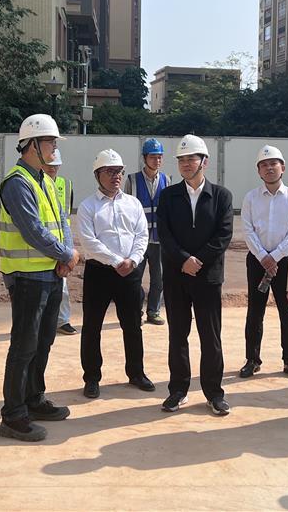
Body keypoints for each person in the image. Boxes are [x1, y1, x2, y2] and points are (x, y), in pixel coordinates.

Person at [0, 114, 78, 442]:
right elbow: (32, 230)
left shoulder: (44, 179)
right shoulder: (17, 183)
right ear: (32, 145)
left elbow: (61, 221)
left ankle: (34, 398)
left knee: (43, 341)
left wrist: (65, 256)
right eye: (50, 142)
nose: (54, 147)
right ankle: (13, 415)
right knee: (24, 345)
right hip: (28, 277)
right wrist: (65, 255)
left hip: (50, 274)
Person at [156, 135, 234, 416]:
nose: (186, 164)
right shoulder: (168, 196)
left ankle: (214, 393)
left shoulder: (221, 196)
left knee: (210, 336)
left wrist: (198, 260)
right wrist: (183, 260)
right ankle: (178, 390)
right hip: (176, 277)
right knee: (178, 334)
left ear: (204, 162)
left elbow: (223, 234)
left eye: (191, 158)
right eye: (182, 160)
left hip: (207, 277)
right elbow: (164, 234)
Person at [76, 149, 154, 399]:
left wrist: (134, 260)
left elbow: (142, 235)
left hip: (130, 272)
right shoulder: (88, 207)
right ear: (97, 175)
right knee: (92, 326)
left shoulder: (133, 204)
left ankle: (136, 372)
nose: (116, 176)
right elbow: (89, 242)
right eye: (109, 171)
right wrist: (116, 260)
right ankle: (92, 377)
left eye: (119, 171)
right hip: (99, 273)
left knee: (132, 325)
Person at [238, 145, 288, 381]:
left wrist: (275, 256)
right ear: (258, 171)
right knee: (255, 312)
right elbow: (247, 230)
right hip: (257, 261)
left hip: (284, 262)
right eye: (264, 165)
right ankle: (252, 359)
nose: (269, 168)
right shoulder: (251, 198)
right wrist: (263, 256)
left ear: (282, 167)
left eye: (273, 164)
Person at [124, 138, 171, 325]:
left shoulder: (166, 180)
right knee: (135, 278)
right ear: (144, 158)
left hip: (159, 240)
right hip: (138, 240)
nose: (157, 160)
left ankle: (154, 311)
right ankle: (136, 311)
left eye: (159, 157)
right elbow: (125, 209)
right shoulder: (132, 181)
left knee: (158, 279)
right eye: (153, 157)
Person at [39, 148, 77, 336]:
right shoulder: (34, 184)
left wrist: (68, 249)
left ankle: (62, 321)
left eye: (55, 165)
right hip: (43, 243)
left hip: (62, 241)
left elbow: (65, 217)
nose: (52, 168)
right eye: (49, 165)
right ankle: (42, 322)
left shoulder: (65, 185)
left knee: (62, 286)